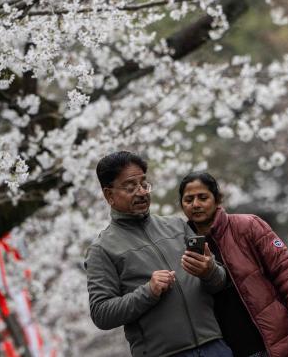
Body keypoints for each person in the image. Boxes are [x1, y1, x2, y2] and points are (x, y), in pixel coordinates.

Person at [85, 151, 233, 357]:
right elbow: (101, 313)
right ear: (109, 195)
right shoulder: (102, 250)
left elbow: (220, 281)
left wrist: (209, 271)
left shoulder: (177, 226)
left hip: (215, 346)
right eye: (130, 187)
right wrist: (148, 292)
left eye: (144, 184)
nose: (142, 192)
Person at [178, 172, 288, 357]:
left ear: (217, 199)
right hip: (233, 349)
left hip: (279, 340)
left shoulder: (248, 226)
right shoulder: (181, 246)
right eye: (188, 200)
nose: (195, 204)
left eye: (202, 197)